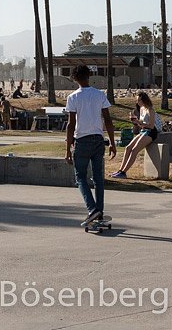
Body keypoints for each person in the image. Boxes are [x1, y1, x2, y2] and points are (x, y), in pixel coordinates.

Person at [64, 64, 116, 226]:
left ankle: (92, 209)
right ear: (89, 76)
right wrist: (112, 142)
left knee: (80, 177)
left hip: (82, 140)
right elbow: (108, 120)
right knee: (98, 178)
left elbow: (71, 124)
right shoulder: (99, 94)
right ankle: (99, 212)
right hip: (98, 139)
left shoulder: (73, 97)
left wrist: (67, 149)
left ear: (74, 79)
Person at [110, 92, 161, 178]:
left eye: (139, 100)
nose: (137, 102)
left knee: (134, 150)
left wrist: (139, 122)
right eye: (137, 100)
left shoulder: (150, 110)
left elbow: (151, 126)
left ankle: (123, 172)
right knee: (128, 148)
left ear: (144, 100)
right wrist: (135, 122)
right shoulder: (141, 109)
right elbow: (141, 124)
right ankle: (120, 170)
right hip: (144, 130)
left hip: (151, 132)